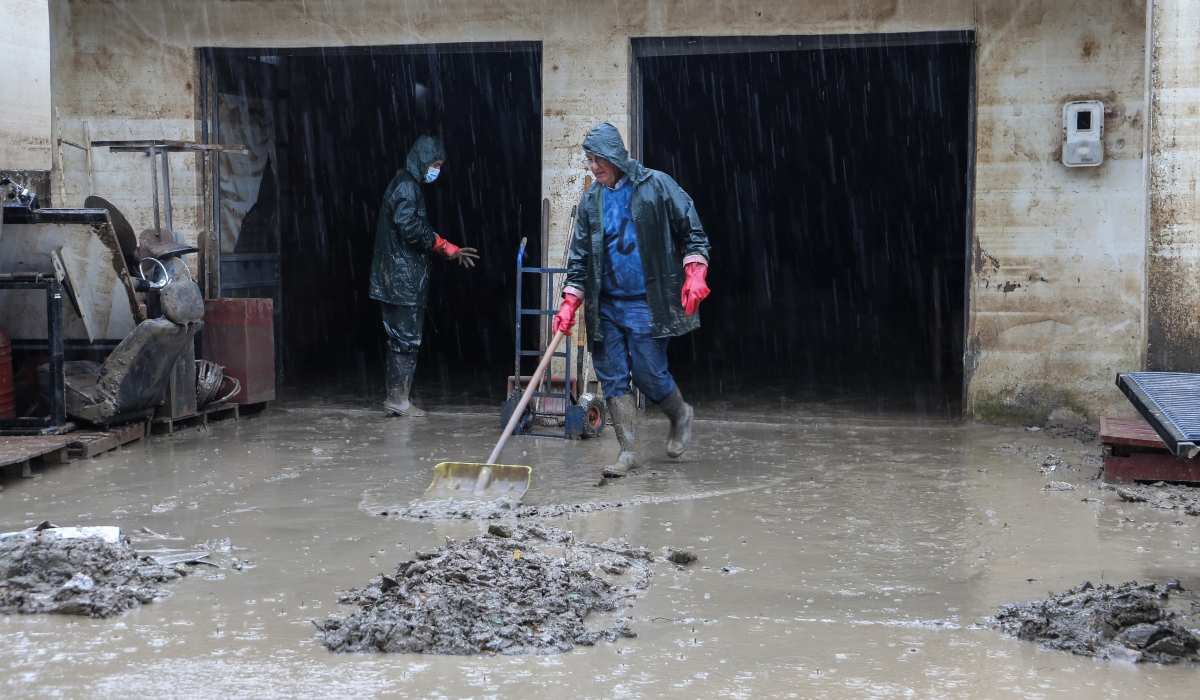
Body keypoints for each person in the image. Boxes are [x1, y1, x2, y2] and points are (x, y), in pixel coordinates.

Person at [553, 123, 711, 477]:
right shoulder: (592, 200)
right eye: (588, 160)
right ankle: (629, 452)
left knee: (648, 373)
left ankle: (680, 414)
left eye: (597, 159)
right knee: (611, 377)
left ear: (615, 156)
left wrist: (696, 271)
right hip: (604, 303)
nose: (593, 166)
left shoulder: (656, 186)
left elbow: (693, 231)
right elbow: (579, 259)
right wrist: (569, 302)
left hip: (646, 301)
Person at [369, 135, 478, 416]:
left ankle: (397, 398)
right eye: (436, 164)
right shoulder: (406, 185)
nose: (437, 171)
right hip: (401, 277)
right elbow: (409, 225)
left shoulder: (405, 183)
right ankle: (398, 399)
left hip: (396, 275)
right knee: (405, 337)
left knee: (399, 336)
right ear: (424, 160)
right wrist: (442, 245)